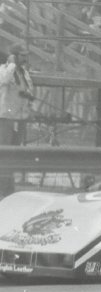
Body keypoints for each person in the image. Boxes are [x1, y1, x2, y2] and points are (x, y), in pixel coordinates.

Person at [0, 42, 34, 197]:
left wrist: (29, 103)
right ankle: (3, 188)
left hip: (19, 118)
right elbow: (5, 80)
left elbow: (27, 90)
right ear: (15, 56)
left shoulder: (24, 73)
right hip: (6, 117)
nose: (25, 58)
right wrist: (12, 64)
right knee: (4, 153)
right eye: (22, 55)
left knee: (14, 154)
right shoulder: (4, 69)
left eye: (26, 55)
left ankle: (8, 187)